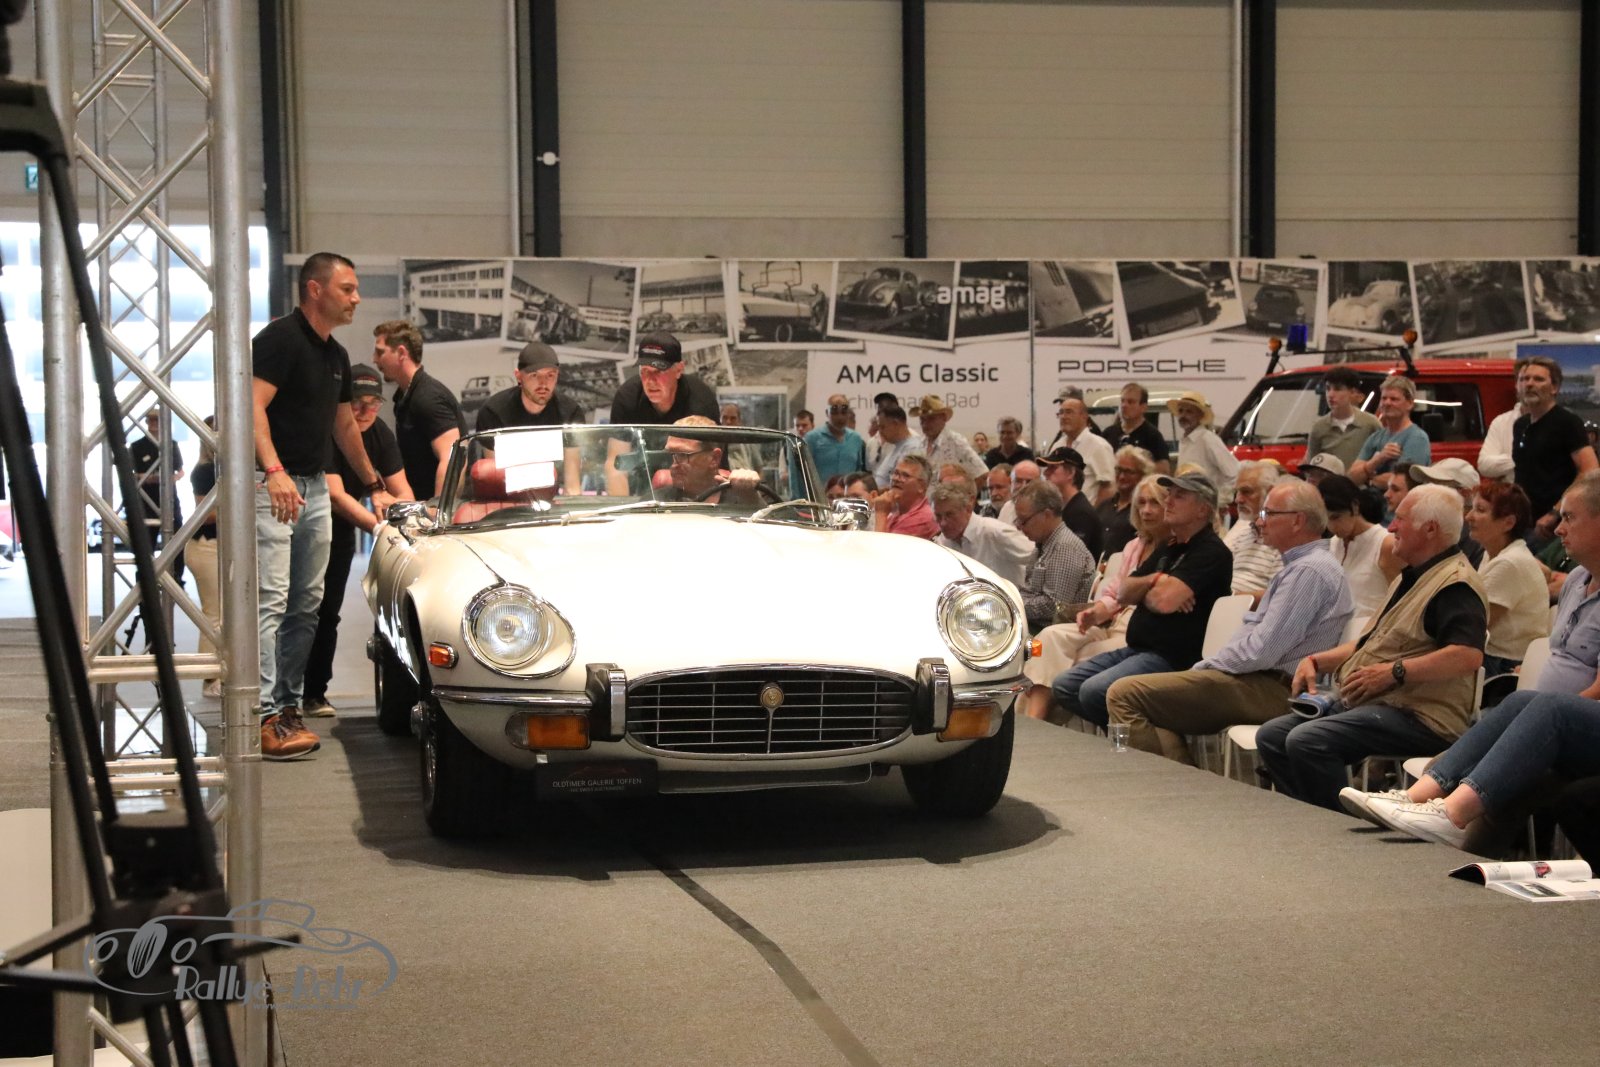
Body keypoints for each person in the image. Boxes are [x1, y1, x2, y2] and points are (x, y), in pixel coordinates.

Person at [1340, 474, 1600, 849]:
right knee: (1525, 703)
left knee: (1544, 709)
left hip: (1573, 717)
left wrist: (1536, 721)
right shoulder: (1576, 580)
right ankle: (1418, 798)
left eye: (1570, 518)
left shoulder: (1505, 566)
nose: (1558, 529)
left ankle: (1452, 815)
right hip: (1553, 713)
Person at [1255, 484, 1487, 811]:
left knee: (1309, 741)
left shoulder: (1455, 584)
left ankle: (1336, 826)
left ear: (1430, 529)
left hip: (1424, 716)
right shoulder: (1412, 577)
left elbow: (1467, 655)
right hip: (1383, 703)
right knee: (1272, 736)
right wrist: (1317, 660)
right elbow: (1370, 644)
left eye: (1401, 520)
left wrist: (1395, 672)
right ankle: (1310, 816)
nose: (1391, 528)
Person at [253, 252, 396, 760]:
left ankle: (287, 707)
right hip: (271, 485)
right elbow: (250, 406)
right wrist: (273, 471)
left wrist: (374, 483)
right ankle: (263, 716)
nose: (357, 298)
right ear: (315, 290)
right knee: (271, 601)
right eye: (347, 289)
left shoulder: (336, 355)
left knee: (306, 605)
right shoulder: (279, 340)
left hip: (312, 488)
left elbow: (344, 427)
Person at [1105, 479, 1352, 763]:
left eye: (1268, 514)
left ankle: (1165, 784)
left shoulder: (1309, 571)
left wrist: (1208, 665)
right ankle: (1178, 781)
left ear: (1297, 521)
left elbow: (1262, 650)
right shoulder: (1300, 567)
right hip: (1259, 680)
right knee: (1146, 699)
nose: (1260, 522)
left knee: (1125, 694)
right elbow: (1256, 641)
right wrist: (1211, 665)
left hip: (1278, 689)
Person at [1050, 472, 1234, 729]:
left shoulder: (1211, 551)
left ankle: (1146, 739)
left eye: (1179, 496)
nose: (1169, 501)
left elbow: (1164, 602)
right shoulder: (1169, 547)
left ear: (1202, 509)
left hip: (1172, 657)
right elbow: (1123, 591)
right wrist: (1156, 579)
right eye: (1169, 495)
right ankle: (1136, 734)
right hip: (1138, 648)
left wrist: (1147, 589)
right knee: (1065, 685)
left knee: (1094, 691)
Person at [301, 364, 414, 718]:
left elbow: (403, 492)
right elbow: (335, 496)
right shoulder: (326, 431)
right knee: (300, 610)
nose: (365, 412)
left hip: (342, 531)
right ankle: (282, 698)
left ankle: (314, 693)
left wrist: (404, 516)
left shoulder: (380, 434)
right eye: (357, 404)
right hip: (306, 524)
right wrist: (380, 528)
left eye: (373, 403)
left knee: (328, 613)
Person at [1022, 475, 1170, 719]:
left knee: (1067, 658)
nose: (1146, 510)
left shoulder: (1175, 549)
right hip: (1109, 619)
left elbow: (1153, 596)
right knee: (1044, 640)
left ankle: (1036, 721)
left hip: (1136, 629)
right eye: (1141, 503)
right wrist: (1096, 611)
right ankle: (1031, 721)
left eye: (1154, 503)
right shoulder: (1135, 546)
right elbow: (1115, 593)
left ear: (1170, 505)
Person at [605, 332, 720, 492]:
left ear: (679, 370)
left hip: (691, 486)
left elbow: (711, 467)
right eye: (645, 371)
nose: (650, 381)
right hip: (639, 486)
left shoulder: (702, 401)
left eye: (658, 371)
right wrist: (623, 507)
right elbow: (615, 465)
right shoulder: (627, 398)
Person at [474, 341, 587, 493]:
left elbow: (572, 484)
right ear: (518, 376)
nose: (543, 383)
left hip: (553, 497)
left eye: (550, 375)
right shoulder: (493, 412)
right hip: (506, 496)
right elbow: (494, 480)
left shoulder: (570, 413)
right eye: (534, 375)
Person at [372, 319, 464, 501]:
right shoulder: (407, 396)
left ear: (401, 353)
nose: (374, 359)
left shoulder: (427, 397)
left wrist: (437, 510)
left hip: (442, 510)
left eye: (380, 352)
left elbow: (453, 457)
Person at [1463, 480, 1545, 676]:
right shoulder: (1494, 553)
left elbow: (1473, 626)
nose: (1468, 516)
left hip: (1504, 666)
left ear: (1508, 522)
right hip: (1494, 657)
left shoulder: (1509, 563)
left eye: (1480, 510)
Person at [1513, 355, 1599, 540]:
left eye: (1538, 379)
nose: (1529, 384)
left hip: (1554, 526)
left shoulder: (1567, 422)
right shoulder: (1520, 425)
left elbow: (1590, 470)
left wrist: (1556, 512)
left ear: (1554, 388)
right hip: (1524, 522)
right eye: (1525, 379)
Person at [1011, 480, 1095, 634]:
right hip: (1035, 626)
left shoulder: (1065, 547)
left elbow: (1054, 606)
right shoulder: (1045, 544)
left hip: (1048, 631)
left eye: (1023, 520)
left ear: (1047, 515)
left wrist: (1013, 603)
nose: (1019, 526)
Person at [932, 481, 1034, 589]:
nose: (943, 523)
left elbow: (1037, 557)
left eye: (950, 515)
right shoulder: (943, 543)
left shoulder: (994, 532)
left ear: (968, 509)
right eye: (938, 516)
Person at [1319, 474, 1390, 620]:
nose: (1331, 527)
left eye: (1336, 517)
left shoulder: (1386, 544)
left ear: (1355, 506)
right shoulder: (1332, 544)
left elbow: (1403, 602)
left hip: (1373, 629)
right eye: (1326, 519)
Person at [1348, 375, 1430, 492]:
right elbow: (1352, 477)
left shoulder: (1417, 438)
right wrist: (1378, 459)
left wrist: (1368, 479)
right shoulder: (1375, 437)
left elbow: (1403, 482)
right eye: (1384, 398)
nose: (1387, 403)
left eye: (1394, 399)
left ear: (1410, 403)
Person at [188, 416, 221, 698]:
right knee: (215, 614)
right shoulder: (205, 471)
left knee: (226, 614)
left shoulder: (224, 470)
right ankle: (210, 678)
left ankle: (220, 673)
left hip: (219, 547)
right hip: (206, 546)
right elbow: (205, 514)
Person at [657, 416, 762, 504]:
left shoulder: (743, 499)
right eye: (671, 454)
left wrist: (752, 498)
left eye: (683, 455)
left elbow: (765, 518)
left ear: (714, 458)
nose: (673, 465)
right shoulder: (656, 501)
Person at [1223, 461, 1284, 601]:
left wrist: (1228, 597)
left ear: (1269, 493)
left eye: (1246, 492)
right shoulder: (1243, 534)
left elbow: (1280, 595)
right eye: (1237, 492)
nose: (1238, 499)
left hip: (1248, 611)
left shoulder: (1284, 538)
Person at [1303, 367, 1381, 471]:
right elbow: (1312, 466)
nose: (1330, 394)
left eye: (1337, 389)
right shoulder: (1319, 427)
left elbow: (1381, 459)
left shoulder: (1370, 423)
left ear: (1352, 392)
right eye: (1328, 388)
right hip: (1329, 480)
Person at [1168, 391, 1239, 505]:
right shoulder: (1184, 441)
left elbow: (1235, 473)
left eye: (1189, 411)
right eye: (1181, 411)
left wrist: (1219, 500)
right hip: (1190, 505)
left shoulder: (1208, 439)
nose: (1183, 415)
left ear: (1200, 415)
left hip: (1207, 506)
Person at [1042, 394, 1116, 503]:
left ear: (1084, 416)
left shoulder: (1099, 446)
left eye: (1069, 412)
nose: (1063, 417)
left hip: (1087, 511)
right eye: (1061, 413)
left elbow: (1108, 487)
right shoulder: (1057, 445)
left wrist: (1094, 512)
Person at [1039, 446, 1104, 561]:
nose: (1045, 473)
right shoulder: (1062, 508)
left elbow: (1071, 559)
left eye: (1053, 468)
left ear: (1071, 473)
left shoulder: (1081, 514)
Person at [908, 395, 987, 480]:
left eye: (931, 419)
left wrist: (966, 488)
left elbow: (983, 473)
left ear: (943, 418)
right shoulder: (919, 444)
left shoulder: (956, 442)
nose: (925, 424)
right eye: (922, 420)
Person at [1101, 382, 1171, 472]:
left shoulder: (1153, 435)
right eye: (1122, 401)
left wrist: (1140, 469)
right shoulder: (1108, 433)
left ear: (1143, 407)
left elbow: (1164, 469)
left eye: (1130, 402)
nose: (1124, 405)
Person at [1096, 445, 1154, 551]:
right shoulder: (1104, 506)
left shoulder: (1143, 510)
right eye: (1119, 470)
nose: (1122, 476)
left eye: (1128, 472)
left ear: (1143, 475)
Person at [871, 452, 939, 539]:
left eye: (905, 476)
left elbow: (881, 546)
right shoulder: (898, 512)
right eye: (895, 473)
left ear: (921, 486)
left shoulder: (922, 519)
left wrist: (881, 513)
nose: (896, 479)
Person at [805, 394, 869, 482]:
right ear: (827, 413)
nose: (840, 417)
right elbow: (801, 473)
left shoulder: (855, 439)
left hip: (848, 490)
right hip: (820, 491)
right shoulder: (812, 438)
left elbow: (858, 472)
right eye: (834, 413)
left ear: (848, 414)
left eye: (844, 412)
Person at [870, 403, 923, 488]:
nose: (880, 432)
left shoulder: (913, 448)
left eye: (883, 427)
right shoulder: (894, 446)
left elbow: (904, 484)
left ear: (895, 424)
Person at [1477, 400, 1522, 483]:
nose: (1529, 386)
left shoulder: (1549, 423)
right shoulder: (1501, 422)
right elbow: (1484, 465)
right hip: (1511, 489)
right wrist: (1520, 459)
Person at [998, 459, 1040, 526]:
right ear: (1011, 483)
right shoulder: (1007, 508)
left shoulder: (1045, 512)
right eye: (1018, 481)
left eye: (1029, 481)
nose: (1024, 486)